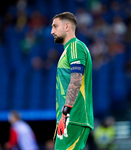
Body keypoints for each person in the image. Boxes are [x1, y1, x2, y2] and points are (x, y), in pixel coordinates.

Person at [51, 12, 94, 150]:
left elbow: (76, 81)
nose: (52, 31)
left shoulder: (75, 46)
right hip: (70, 118)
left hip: (73, 117)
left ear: (67, 26)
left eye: (55, 26)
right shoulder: (69, 49)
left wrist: (65, 114)